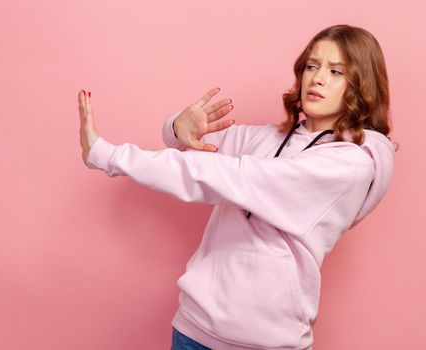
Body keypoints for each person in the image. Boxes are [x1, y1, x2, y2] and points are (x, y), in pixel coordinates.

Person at [77, 24, 397, 350]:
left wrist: (110, 155)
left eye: (336, 71)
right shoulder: (265, 138)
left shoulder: (350, 165)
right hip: (194, 330)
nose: (317, 79)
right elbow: (191, 150)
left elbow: (225, 174)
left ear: (361, 86)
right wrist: (177, 127)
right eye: (312, 66)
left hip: (269, 343)